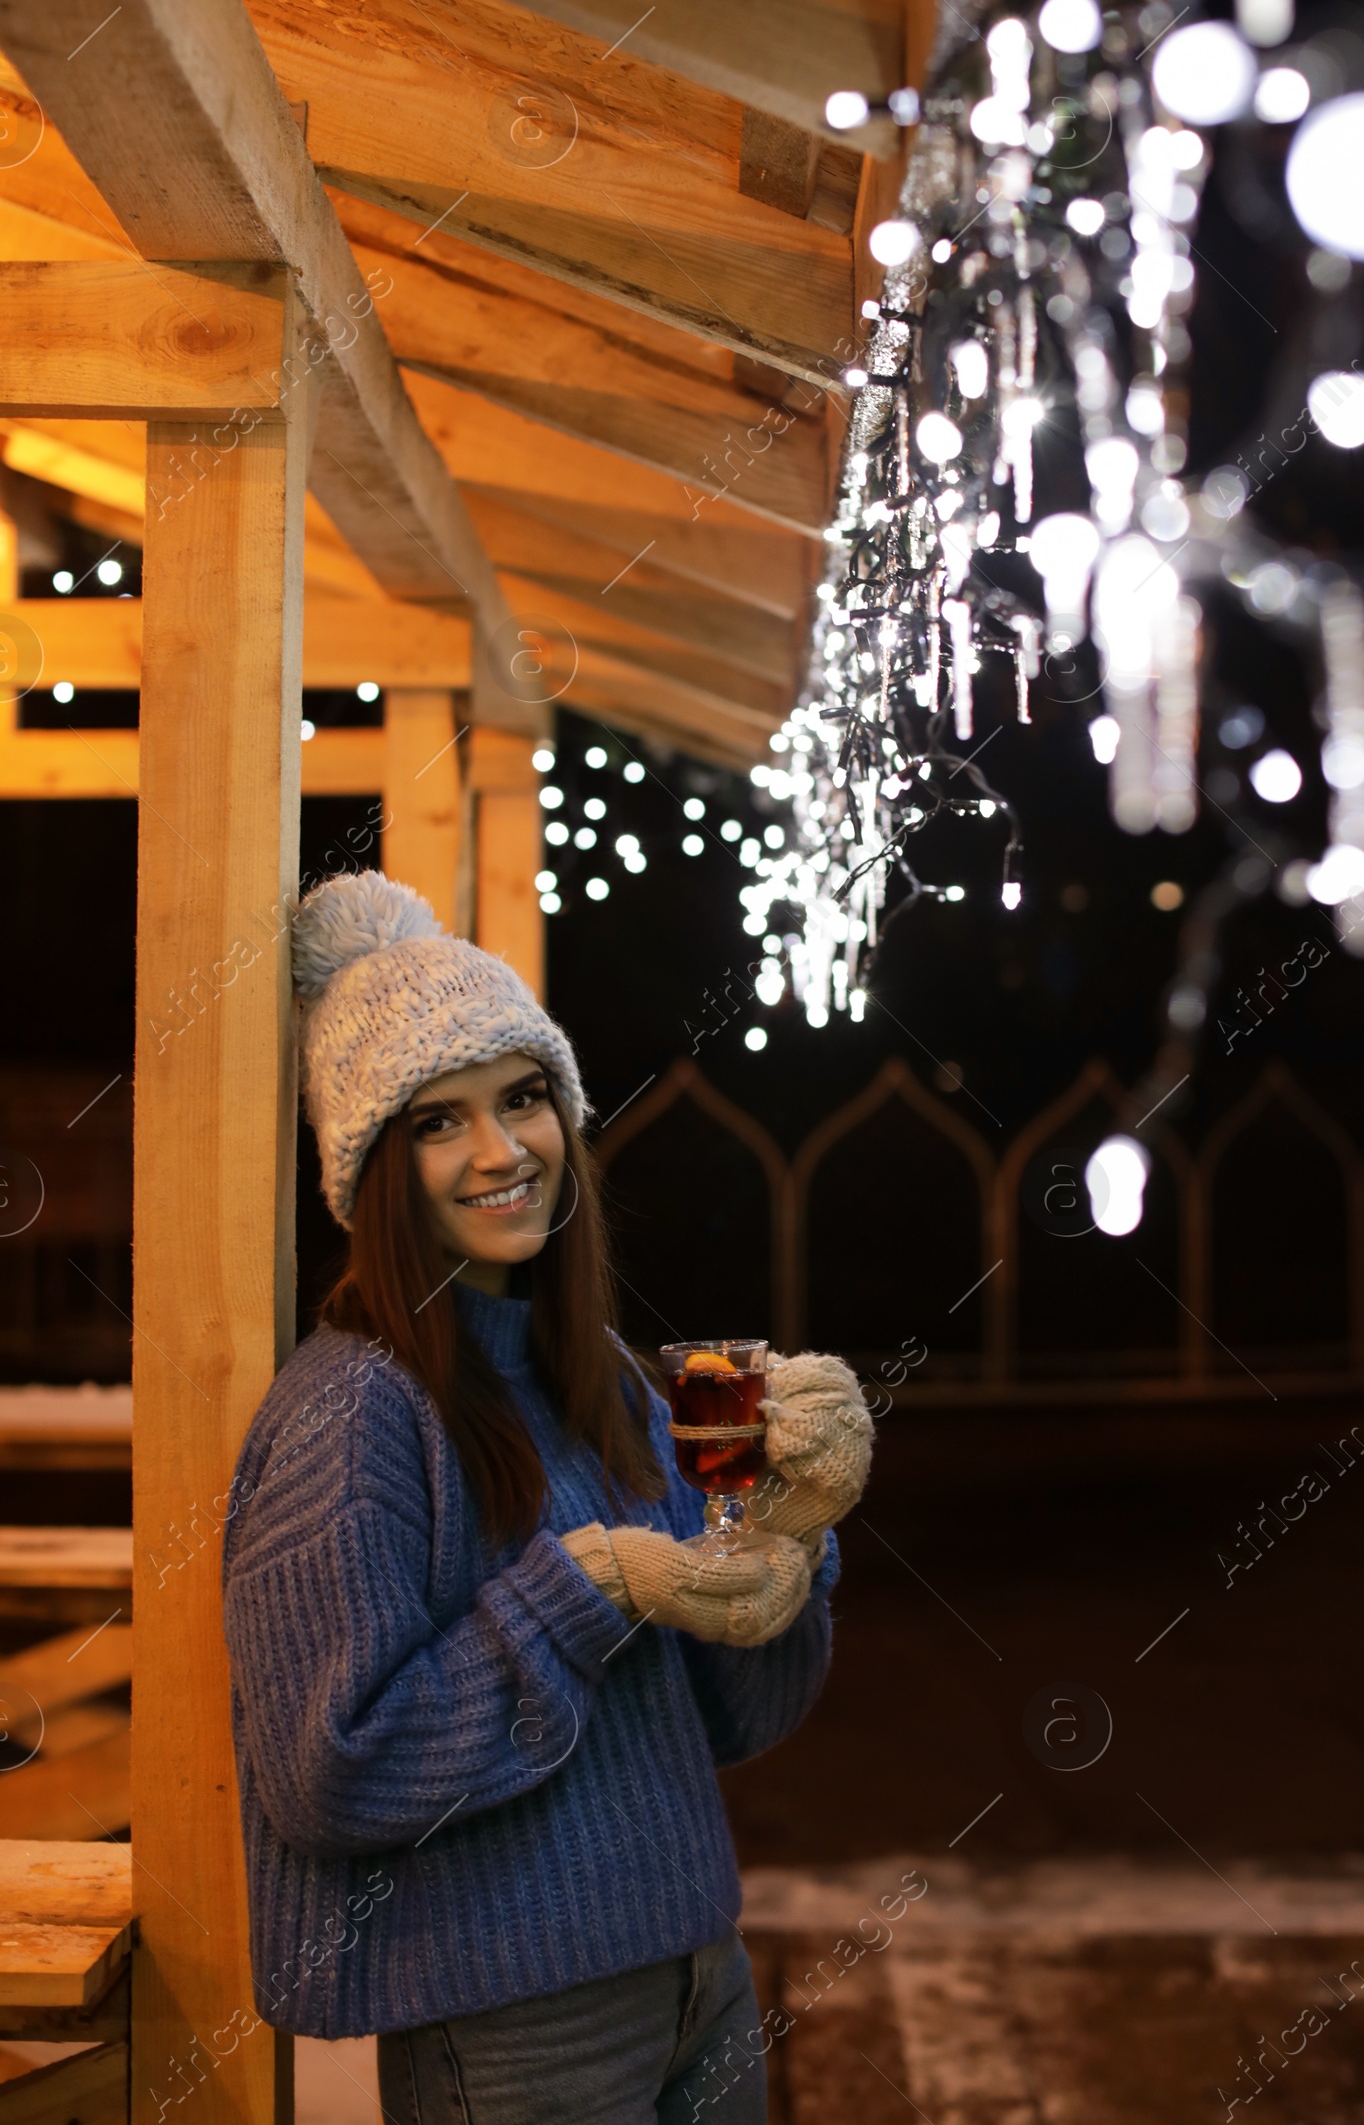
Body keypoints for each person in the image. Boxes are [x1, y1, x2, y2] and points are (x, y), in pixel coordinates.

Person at [221, 871, 873, 2124]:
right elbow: (330, 1774)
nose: (497, 1151)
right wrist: (582, 1588)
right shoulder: (351, 1411)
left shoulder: (613, 1389)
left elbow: (740, 1715)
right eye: (436, 1121)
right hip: (521, 2028)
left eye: (522, 1099)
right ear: (372, 1169)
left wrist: (792, 1532)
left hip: (698, 1978)